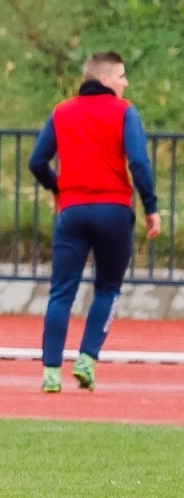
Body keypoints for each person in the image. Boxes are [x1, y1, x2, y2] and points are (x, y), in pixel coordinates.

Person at [28, 51, 160, 393]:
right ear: (104, 80)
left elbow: (37, 161)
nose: (125, 83)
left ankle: (51, 371)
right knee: (108, 287)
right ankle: (87, 359)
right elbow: (140, 163)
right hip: (114, 210)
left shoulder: (62, 112)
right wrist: (151, 207)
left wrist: (59, 188)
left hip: (72, 211)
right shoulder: (124, 111)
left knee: (61, 292)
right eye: (121, 76)